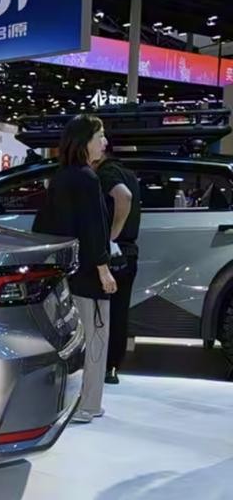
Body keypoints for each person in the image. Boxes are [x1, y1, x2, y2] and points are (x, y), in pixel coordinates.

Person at [32, 115, 118, 424]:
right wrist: (104, 269)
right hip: (88, 276)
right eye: (100, 136)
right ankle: (88, 405)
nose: (105, 142)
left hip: (64, 274)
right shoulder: (87, 179)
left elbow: (42, 227)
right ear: (84, 142)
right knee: (95, 339)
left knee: (69, 341)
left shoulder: (60, 178)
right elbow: (94, 230)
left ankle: (65, 403)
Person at [96, 151, 140, 385]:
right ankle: (112, 366)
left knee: (102, 312)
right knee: (119, 312)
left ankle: (100, 364)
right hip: (128, 253)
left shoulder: (106, 172)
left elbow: (124, 196)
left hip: (113, 252)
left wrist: (111, 237)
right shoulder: (129, 173)